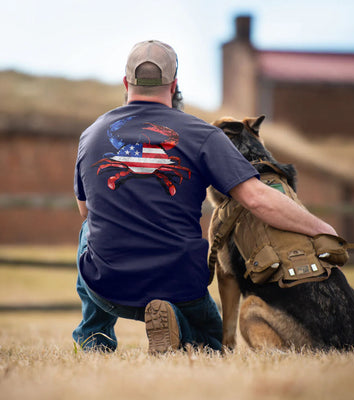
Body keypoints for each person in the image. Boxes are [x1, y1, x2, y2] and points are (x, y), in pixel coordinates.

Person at [73, 40, 337, 354]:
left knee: (88, 230)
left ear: (125, 83)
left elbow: (85, 209)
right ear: (174, 85)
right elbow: (258, 198)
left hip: (109, 288)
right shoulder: (203, 135)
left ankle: (94, 337)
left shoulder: (91, 134)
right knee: (210, 345)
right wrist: (321, 228)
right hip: (180, 285)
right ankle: (180, 327)